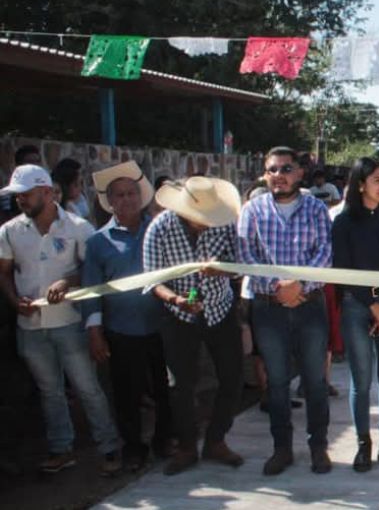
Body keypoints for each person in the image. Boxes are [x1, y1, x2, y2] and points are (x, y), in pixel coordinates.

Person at [0, 164, 122, 475]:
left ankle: (109, 448)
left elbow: (94, 272)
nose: (20, 201)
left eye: (26, 194)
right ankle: (61, 449)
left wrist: (68, 281)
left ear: (46, 192)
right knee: (49, 390)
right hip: (30, 327)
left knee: (87, 388)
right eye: (17, 196)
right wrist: (14, 301)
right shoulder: (10, 231)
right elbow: (4, 273)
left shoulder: (79, 228)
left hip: (70, 323)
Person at [238, 146, 334, 475]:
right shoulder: (252, 210)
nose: (279, 175)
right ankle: (282, 449)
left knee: (315, 381)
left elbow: (325, 252)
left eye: (286, 169)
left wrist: (299, 286)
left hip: (310, 306)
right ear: (265, 175)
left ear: (300, 173)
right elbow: (246, 255)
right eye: (272, 170)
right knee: (276, 382)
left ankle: (318, 446)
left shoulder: (316, 208)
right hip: (269, 308)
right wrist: (278, 288)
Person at [143, 175, 244, 475]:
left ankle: (216, 440)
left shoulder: (225, 223)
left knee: (232, 377)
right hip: (179, 316)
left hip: (220, 310)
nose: (205, 224)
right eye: (200, 218)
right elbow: (152, 280)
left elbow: (239, 264)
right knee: (181, 385)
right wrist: (176, 300)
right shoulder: (159, 229)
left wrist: (222, 269)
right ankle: (187, 446)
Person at [83, 161, 172, 472]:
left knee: (166, 388)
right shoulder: (97, 242)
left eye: (131, 193)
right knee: (127, 394)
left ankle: (165, 440)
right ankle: (133, 448)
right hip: (121, 330)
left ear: (141, 196)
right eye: (119, 195)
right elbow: (91, 289)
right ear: (109, 202)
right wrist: (94, 331)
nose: (126, 200)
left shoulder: (161, 231)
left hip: (163, 326)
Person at [332, 157, 379, 472]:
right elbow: (342, 269)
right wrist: (372, 304)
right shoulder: (344, 222)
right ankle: (363, 444)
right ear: (361, 184)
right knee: (361, 380)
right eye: (377, 180)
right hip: (356, 305)